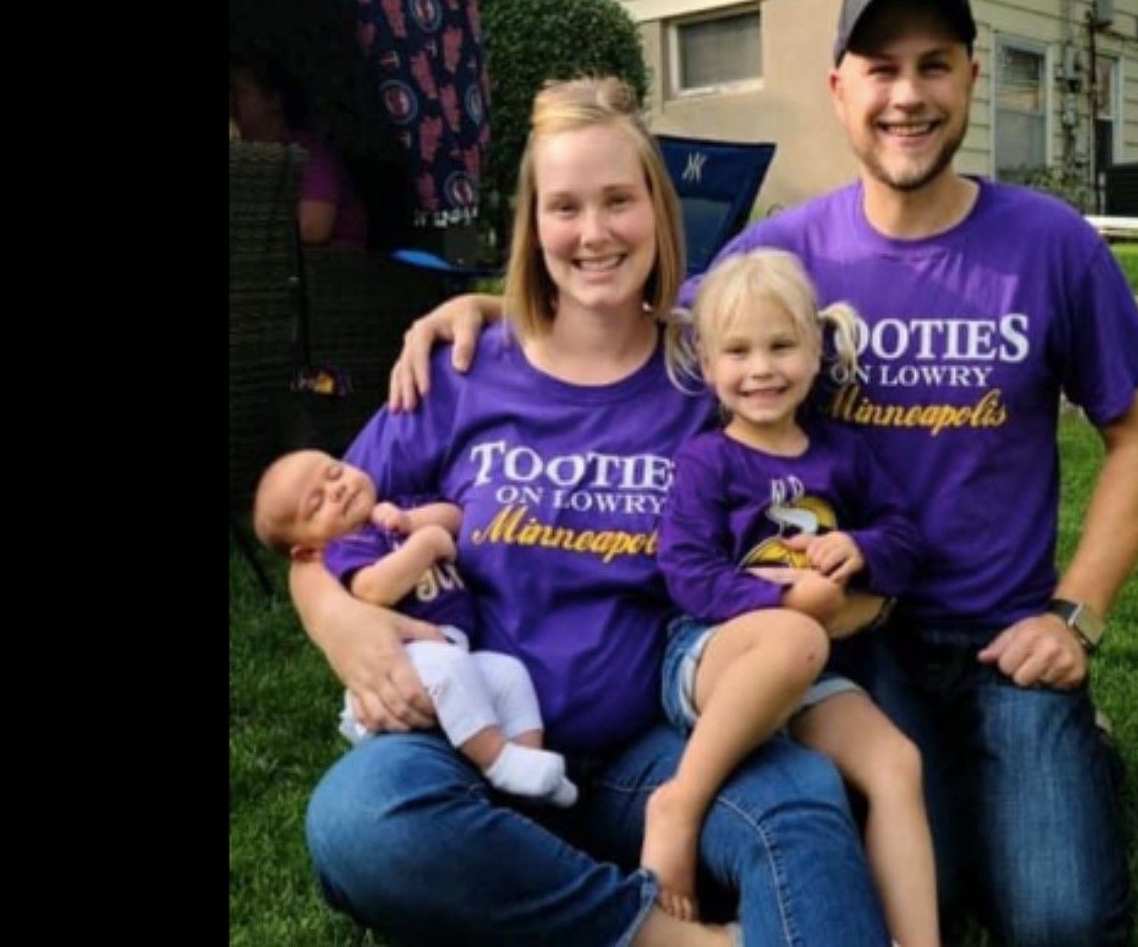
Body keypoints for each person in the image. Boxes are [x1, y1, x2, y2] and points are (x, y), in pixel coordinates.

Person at [387, 0, 1138, 944]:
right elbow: (639, 301)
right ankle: (999, 784)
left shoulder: (1052, 244)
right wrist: (498, 310)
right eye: (879, 68)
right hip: (852, 638)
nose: (907, 95)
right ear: (839, 87)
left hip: (1002, 638)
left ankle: (1061, 750)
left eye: (934, 65)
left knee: (1056, 923)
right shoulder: (790, 247)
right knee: (928, 868)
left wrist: (1075, 615)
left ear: (972, 77)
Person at [288, 76, 894, 946]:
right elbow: (317, 537)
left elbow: (835, 456)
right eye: (565, 207)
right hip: (469, 744)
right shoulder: (460, 367)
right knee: (363, 821)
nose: (596, 232)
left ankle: (544, 895)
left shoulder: (711, 376)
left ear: (659, 210)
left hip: (647, 751)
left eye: (619, 200)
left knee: (801, 804)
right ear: (533, 226)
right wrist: (335, 624)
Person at [644, 247, 939, 945]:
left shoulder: (842, 452)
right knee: (800, 637)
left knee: (898, 762)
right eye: (737, 351)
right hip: (709, 655)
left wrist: (861, 549)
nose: (761, 369)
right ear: (708, 365)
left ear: (815, 349)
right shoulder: (709, 459)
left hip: (806, 670)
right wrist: (780, 603)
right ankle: (678, 805)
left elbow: (906, 539)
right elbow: (686, 570)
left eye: (781, 346)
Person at [252, 449, 577, 806]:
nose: (338, 490)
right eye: (317, 504)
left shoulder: (396, 512)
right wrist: (427, 543)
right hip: (406, 657)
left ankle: (529, 772)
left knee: (509, 674)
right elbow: (374, 588)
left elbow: (456, 515)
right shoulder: (345, 549)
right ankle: (499, 762)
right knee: (448, 669)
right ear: (307, 552)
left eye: (335, 473)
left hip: (453, 648)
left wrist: (412, 521)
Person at [228, 53, 369, 246]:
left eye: (239, 92)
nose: (231, 101)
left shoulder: (309, 155)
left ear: (274, 100)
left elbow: (313, 228)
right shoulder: (242, 153)